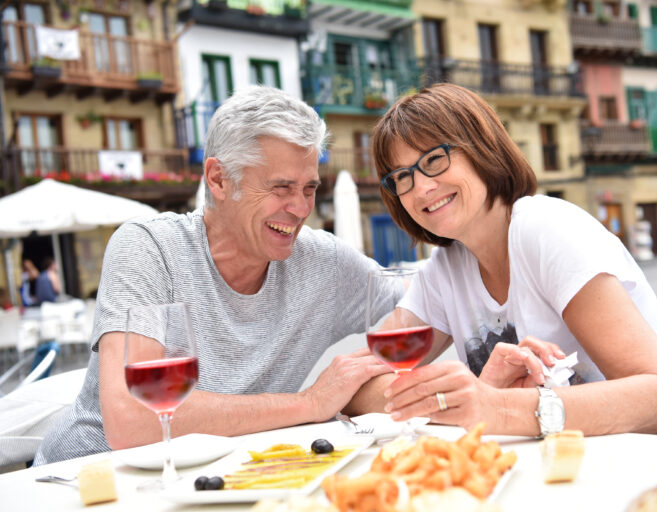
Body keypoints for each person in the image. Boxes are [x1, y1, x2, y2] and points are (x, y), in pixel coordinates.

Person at [34, 85, 404, 465]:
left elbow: (421, 297)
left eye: (309, 188)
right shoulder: (149, 248)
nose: (300, 208)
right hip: (83, 480)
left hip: (225, 482)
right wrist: (310, 403)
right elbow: (135, 421)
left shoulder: (324, 263)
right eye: (281, 188)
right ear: (219, 180)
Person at [367, 83, 657, 441]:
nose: (420, 187)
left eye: (434, 159)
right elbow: (363, 382)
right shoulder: (443, 270)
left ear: (482, 148)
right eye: (401, 177)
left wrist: (499, 408)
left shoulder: (545, 227)